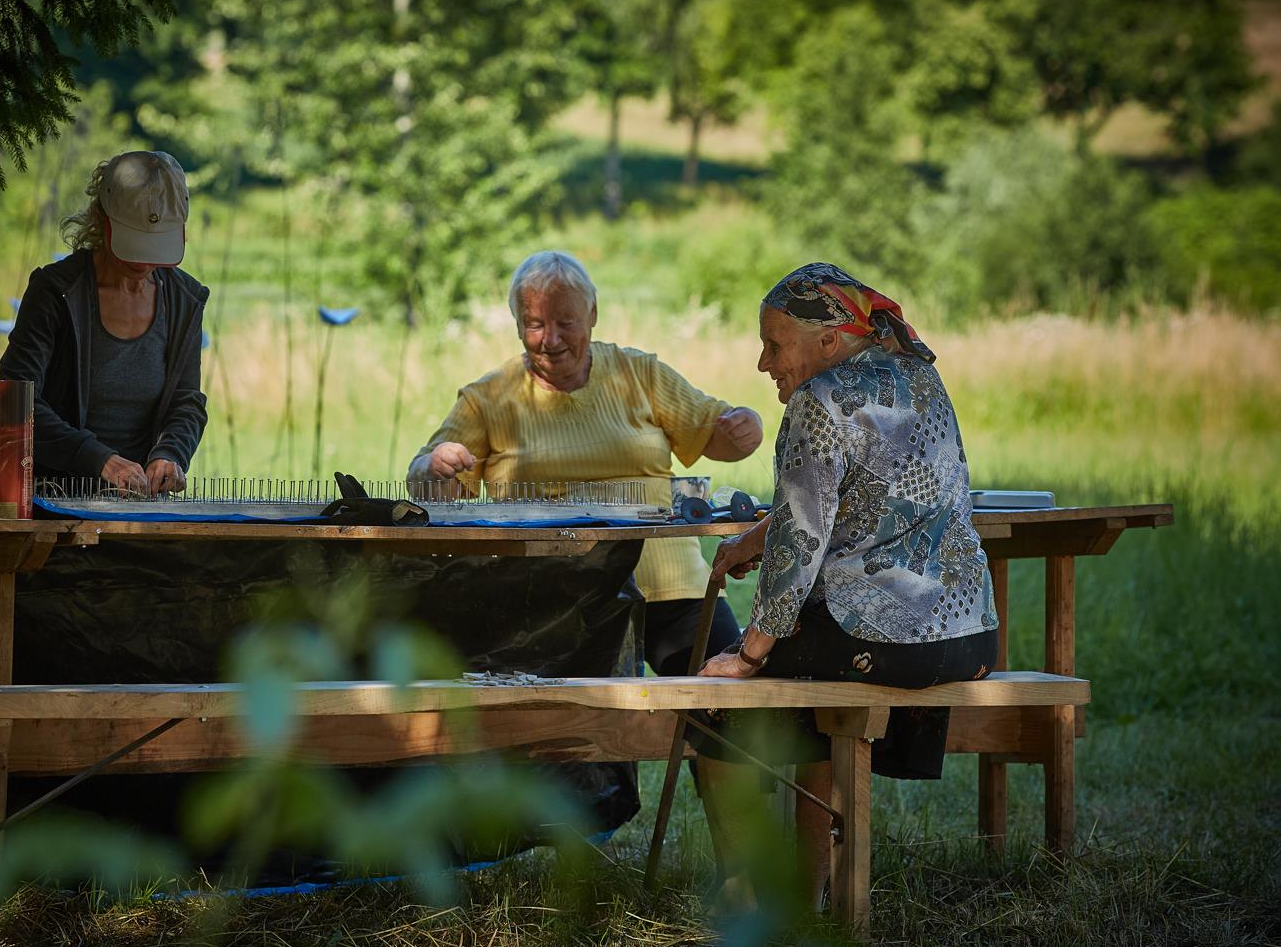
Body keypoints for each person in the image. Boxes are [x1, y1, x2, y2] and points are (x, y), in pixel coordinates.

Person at [697, 262, 999, 908]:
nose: (762, 362)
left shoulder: (818, 400)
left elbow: (801, 546)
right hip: (968, 638)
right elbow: (859, 496)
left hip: (884, 640)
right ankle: (810, 894)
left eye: (775, 345)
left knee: (714, 701)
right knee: (813, 687)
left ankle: (758, 895)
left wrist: (747, 652)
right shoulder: (919, 375)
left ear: (828, 341)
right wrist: (752, 540)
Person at [407, 250, 764, 675]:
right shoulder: (488, 397)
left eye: (565, 323)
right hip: (550, 602)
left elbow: (718, 434)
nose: (551, 340)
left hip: (670, 585)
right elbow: (429, 492)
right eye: (535, 324)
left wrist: (747, 427)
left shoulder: (639, 374)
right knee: (568, 725)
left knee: (728, 703)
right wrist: (434, 466)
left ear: (593, 314)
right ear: (517, 324)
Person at [0, 151, 208, 494]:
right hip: (52, 496)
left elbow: (186, 400)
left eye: (154, 245)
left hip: (141, 503)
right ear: (102, 219)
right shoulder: (55, 292)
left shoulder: (184, 300)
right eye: (134, 242)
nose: (143, 260)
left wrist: (171, 454)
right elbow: (14, 400)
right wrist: (98, 459)